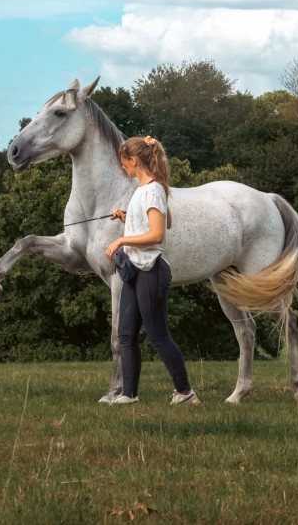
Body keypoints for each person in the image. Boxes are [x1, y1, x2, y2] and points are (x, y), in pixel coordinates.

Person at [105, 136, 199, 406]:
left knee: (158, 335)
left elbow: (158, 233)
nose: (123, 169)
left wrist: (122, 239)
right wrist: (129, 216)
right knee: (126, 334)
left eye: (124, 164)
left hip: (151, 270)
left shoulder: (153, 189)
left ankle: (184, 392)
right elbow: (165, 218)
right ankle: (129, 395)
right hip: (135, 269)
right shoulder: (144, 189)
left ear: (133, 161)